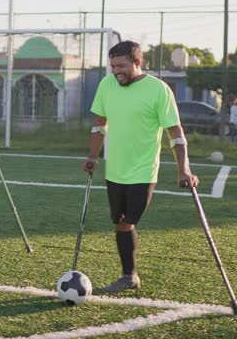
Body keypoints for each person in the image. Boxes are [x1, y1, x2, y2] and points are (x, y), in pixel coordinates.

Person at [82, 41, 198, 293]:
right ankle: (129, 276)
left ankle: (128, 275)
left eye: (121, 66)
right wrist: (93, 155)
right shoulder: (106, 85)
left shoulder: (158, 90)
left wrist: (184, 169)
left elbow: (175, 132)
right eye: (112, 66)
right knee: (121, 222)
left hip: (143, 170)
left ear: (137, 63)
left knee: (129, 220)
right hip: (115, 169)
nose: (116, 71)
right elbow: (99, 123)